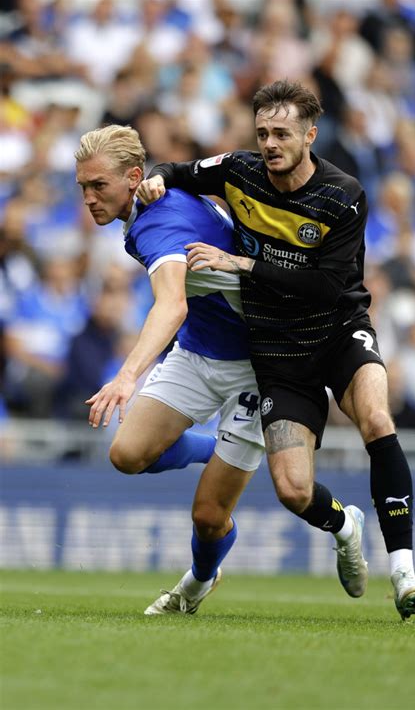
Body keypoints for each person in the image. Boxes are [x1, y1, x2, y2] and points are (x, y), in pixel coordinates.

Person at [136, 79, 415, 620]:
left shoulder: (344, 195)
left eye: (282, 133)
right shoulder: (240, 170)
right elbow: (178, 171)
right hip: (278, 353)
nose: (270, 143)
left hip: (338, 332)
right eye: (263, 132)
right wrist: (154, 179)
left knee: (375, 419)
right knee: (294, 491)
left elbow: (324, 285)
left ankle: (405, 573)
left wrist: (242, 264)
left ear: (309, 135)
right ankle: (346, 525)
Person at [75, 124, 265, 616]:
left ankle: (199, 583)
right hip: (202, 348)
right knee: (127, 453)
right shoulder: (153, 202)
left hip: (258, 360)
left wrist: (126, 376)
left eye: (98, 186)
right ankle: (213, 452)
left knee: (208, 516)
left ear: (133, 177)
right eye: (83, 187)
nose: (89, 198)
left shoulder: (155, 224)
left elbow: (172, 305)